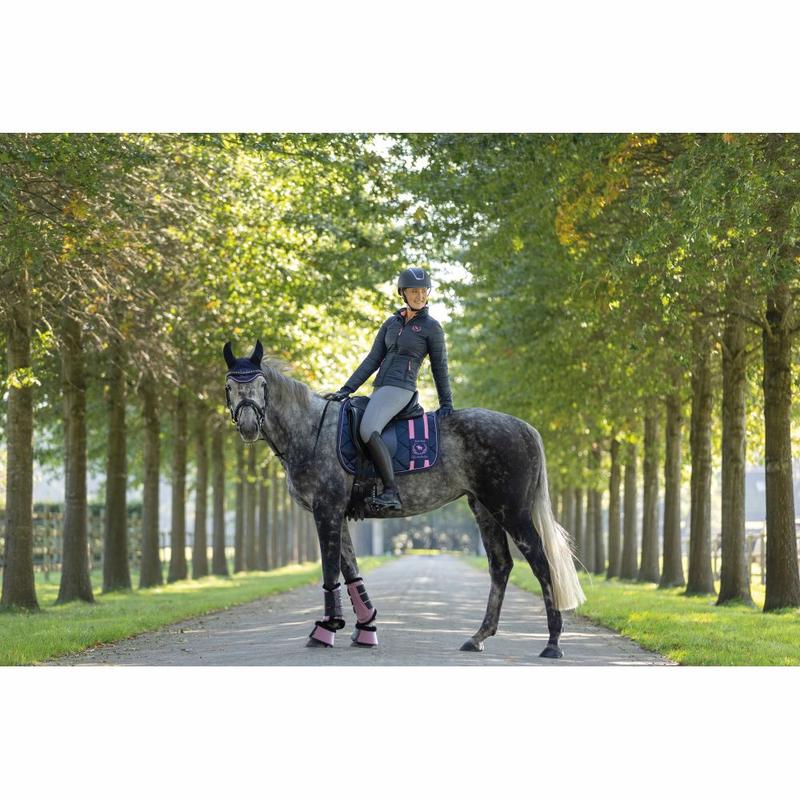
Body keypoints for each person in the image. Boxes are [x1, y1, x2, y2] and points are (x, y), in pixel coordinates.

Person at [324, 267, 454, 511]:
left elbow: (440, 367)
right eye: (413, 291)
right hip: (381, 387)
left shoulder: (432, 328)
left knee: (368, 429)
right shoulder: (391, 324)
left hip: (401, 388)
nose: (419, 296)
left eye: (423, 291)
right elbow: (372, 359)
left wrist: (446, 401)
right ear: (403, 293)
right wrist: (346, 388)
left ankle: (391, 491)